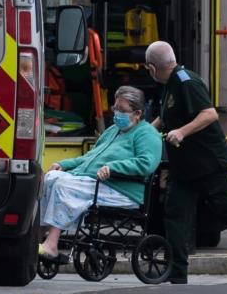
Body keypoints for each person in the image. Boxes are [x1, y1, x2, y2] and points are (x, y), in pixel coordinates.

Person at [145, 41, 227, 284]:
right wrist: (144, 133)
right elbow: (166, 117)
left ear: (152, 68)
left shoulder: (186, 82)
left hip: (208, 164)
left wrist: (181, 132)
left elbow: (209, 113)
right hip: (186, 167)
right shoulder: (171, 85)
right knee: (176, 215)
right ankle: (177, 271)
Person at [39, 85, 162, 263]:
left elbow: (146, 163)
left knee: (64, 186)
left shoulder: (147, 134)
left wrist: (113, 167)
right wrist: (63, 164)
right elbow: (90, 157)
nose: (117, 114)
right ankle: (39, 237)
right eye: (115, 108)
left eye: (123, 110)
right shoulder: (113, 130)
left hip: (121, 189)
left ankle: (51, 245)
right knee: (50, 178)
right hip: (95, 181)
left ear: (137, 113)